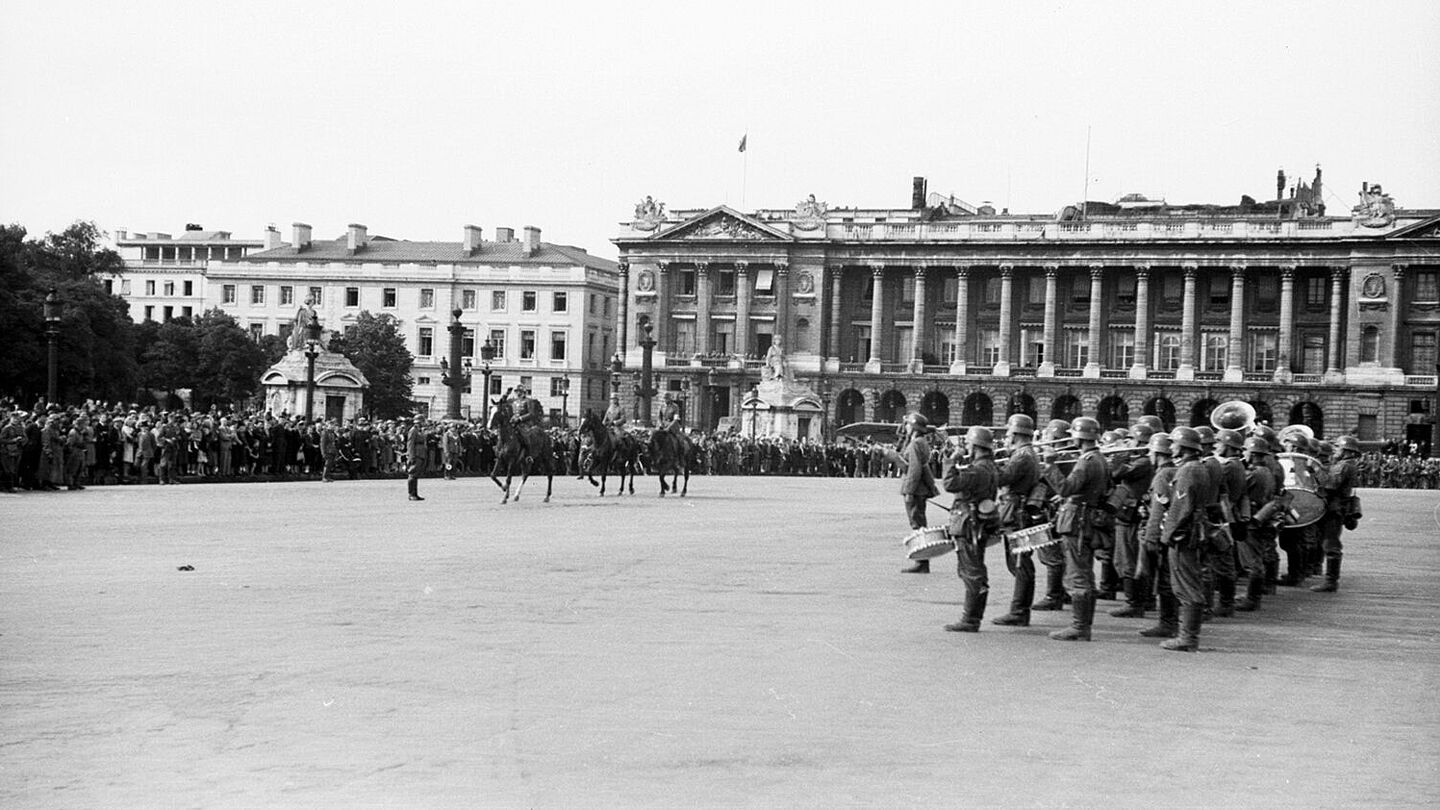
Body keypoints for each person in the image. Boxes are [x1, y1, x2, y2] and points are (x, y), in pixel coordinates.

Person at [1050, 416, 1109, 642]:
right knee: (1085, 573)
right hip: (1088, 518)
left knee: (1077, 574)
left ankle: (1079, 626)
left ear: (1079, 437)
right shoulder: (1100, 458)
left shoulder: (1086, 460)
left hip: (1078, 521)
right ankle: (1083, 624)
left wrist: (1050, 465)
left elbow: (1066, 488)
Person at [1157, 426, 1216, 652]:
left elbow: (1181, 508)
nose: (1170, 447)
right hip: (1193, 531)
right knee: (1189, 581)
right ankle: (1187, 635)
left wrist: (1166, 536)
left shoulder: (1188, 470)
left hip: (1184, 535)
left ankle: (1188, 638)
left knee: (1186, 584)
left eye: (1173, 443)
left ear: (1183, 447)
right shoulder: (1196, 467)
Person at [943, 426, 1000, 632]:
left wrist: (950, 460)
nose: (966, 447)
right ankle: (973, 617)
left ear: (976, 446)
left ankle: (970, 619)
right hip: (979, 524)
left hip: (968, 525)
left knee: (971, 572)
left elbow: (950, 483)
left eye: (968, 444)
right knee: (977, 570)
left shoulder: (977, 469)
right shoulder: (989, 467)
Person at [992, 414, 1042, 627]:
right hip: (1018, 510)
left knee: (1020, 563)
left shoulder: (1021, 456)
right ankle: (1020, 610)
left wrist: (988, 462)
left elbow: (1002, 479)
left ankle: (1019, 611)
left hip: (1016, 512)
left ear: (1017, 433)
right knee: (1020, 563)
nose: (1006, 437)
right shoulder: (1026, 453)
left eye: (1009, 433)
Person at [1137, 432, 1181, 639]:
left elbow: (1158, 510)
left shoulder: (1162, 475)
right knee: (1168, 578)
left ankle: (1168, 623)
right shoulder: (1176, 470)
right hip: (1173, 532)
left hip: (1162, 533)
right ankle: (1169, 622)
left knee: (1164, 579)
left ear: (1157, 453)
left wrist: (1151, 538)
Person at [1312, 436, 1360, 593]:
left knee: (1330, 544)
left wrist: (1316, 469)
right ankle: (1330, 580)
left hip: (1335, 508)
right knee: (1328, 542)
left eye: (1338, 447)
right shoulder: (1346, 465)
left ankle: (1331, 582)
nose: (1335, 450)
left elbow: (1331, 485)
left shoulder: (1344, 466)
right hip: (1337, 507)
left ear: (1346, 451)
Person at [1235, 436, 1277, 611]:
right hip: (1262, 517)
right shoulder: (1267, 471)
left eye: (1245, 450)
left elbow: (1237, 489)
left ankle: (1252, 599)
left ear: (1251, 453)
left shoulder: (1254, 473)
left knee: (1252, 561)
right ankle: (1254, 596)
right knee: (1257, 557)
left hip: (1251, 519)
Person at [899, 413, 940, 574]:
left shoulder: (916, 443)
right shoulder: (921, 442)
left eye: (908, 425)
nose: (906, 427)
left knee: (917, 525)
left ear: (914, 427)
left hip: (915, 490)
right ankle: (922, 561)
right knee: (919, 523)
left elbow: (914, 469)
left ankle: (922, 562)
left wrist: (909, 490)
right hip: (920, 489)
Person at [0, 410, 26, 493]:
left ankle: (10, 486)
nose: (16, 420)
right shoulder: (7, 428)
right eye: (14, 418)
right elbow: (1, 440)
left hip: (17, 451)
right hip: (7, 451)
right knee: (7, 470)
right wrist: (13, 440)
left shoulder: (20, 428)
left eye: (17, 418)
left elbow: (25, 438)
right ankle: (6, 486)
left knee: (13, 470)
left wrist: (22, 441)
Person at [405, 419, 427, 501]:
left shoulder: (419, 431)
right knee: (412, 474)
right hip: (416, 454)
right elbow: (410, 443)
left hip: (421, 454)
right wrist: (411, 456)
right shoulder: (413, 430)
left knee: (416, 475)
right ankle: (411, 494)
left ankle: (415, 493)